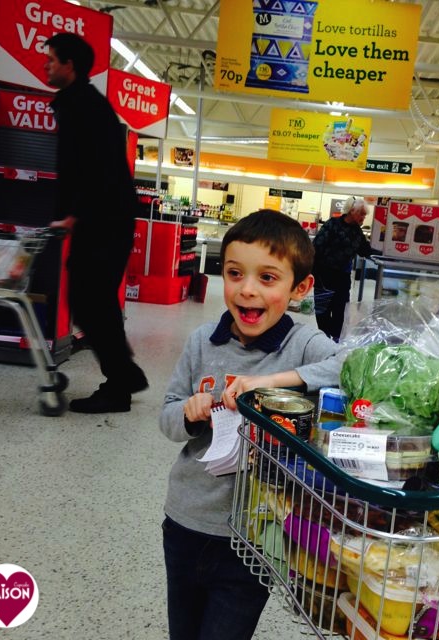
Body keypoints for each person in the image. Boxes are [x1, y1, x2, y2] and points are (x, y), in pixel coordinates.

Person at [159, 209, 345, 640]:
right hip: (186, 519)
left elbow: (349, 364)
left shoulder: (303, 343)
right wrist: (189, 411)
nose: (246, 290)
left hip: (255, 535)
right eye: (234, 273)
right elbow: (166, 418)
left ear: (300, 288)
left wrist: (273, 381)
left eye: (267, 278)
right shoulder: (200, 341)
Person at [45, 33, 147, 413]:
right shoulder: (81, 103)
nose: (47, 66)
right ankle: (124, 375)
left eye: (52, 60)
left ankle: (120, 384)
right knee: (94, 301)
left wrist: (74, 213)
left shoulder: (83, 106)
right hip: (104, 216)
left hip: (104, 218)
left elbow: (93, 168)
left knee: (90, 301)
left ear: (70, 65)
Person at [312, 196, 381, 341]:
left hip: (342, 278)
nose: (364, 217)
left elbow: (365, 250)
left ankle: (336, 339)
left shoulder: (357, 231)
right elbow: (316, 246)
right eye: (361, 213)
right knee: (323, 310)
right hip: (324, 275)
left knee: (341, 310)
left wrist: (385, 254)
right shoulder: (333, 224)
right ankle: (323, 339)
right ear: (352, 211)